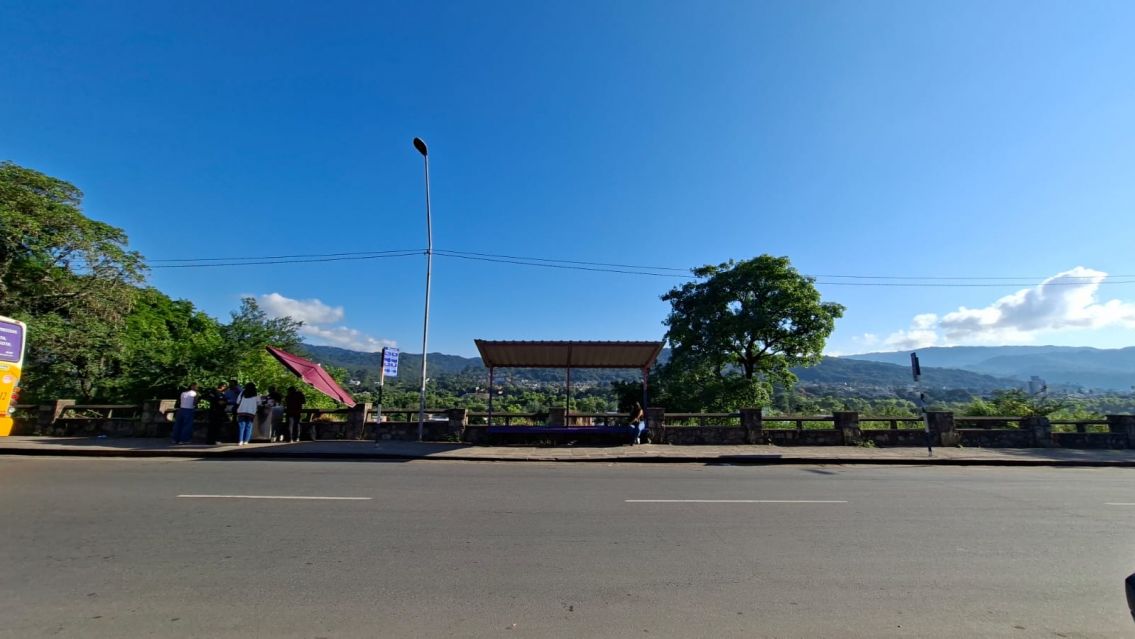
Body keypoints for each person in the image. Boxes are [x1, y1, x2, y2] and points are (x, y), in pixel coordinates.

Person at [235, 381, 260, 446]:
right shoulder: (256, 394)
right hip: (251, 412)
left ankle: (240, 441)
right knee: (249, 426)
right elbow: (259, 403)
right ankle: (246, 441)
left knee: (241, 426)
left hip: (241, 411)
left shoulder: (242, 393)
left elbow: (237, 402)